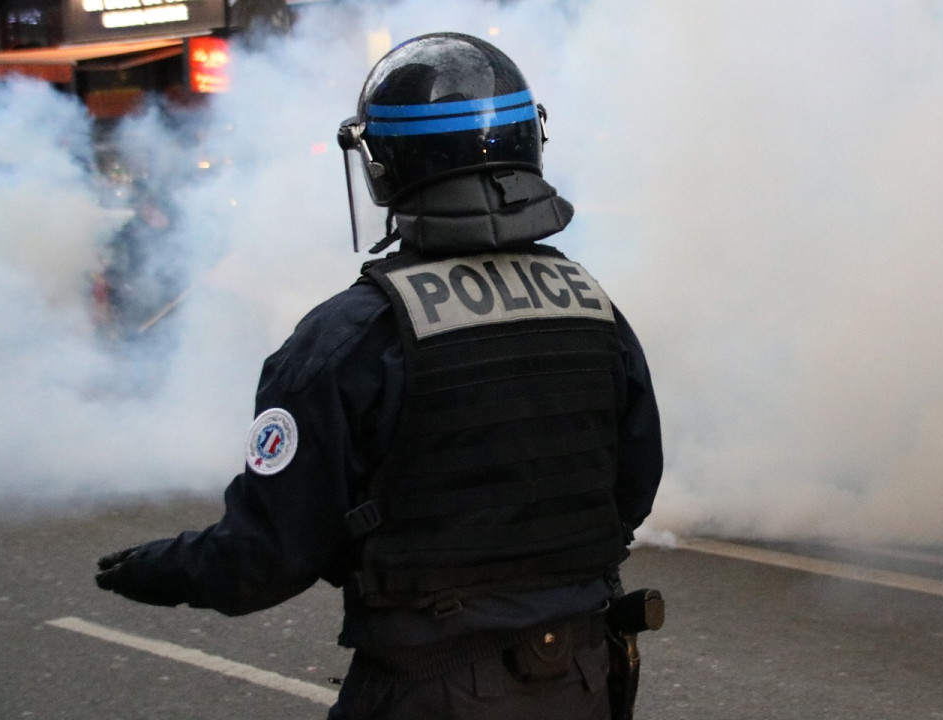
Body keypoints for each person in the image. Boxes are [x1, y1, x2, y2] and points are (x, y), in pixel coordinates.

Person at [95, 32, 663, 720]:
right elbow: (633, 488)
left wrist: (161, 569)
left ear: (384, 166)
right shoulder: (593, 308)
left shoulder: (352, 336)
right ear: (529, 142)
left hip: (431, 688)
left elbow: (266, 557)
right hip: (582, 678)